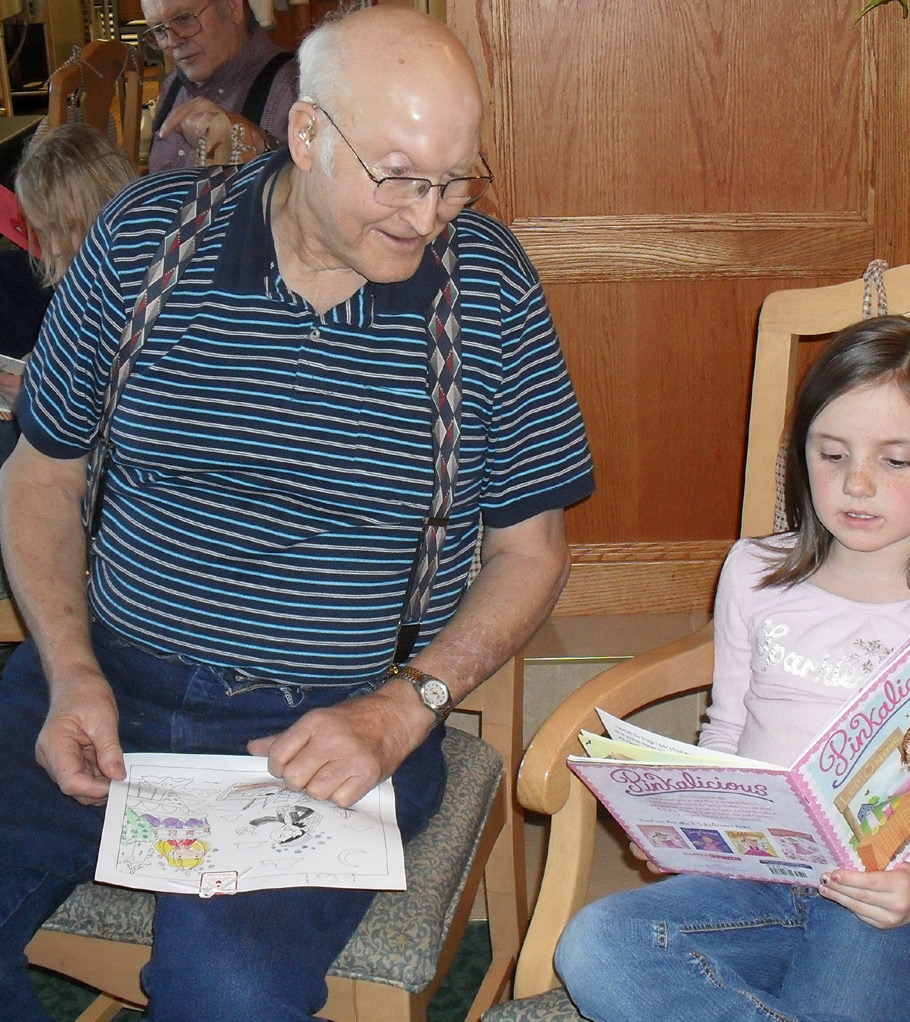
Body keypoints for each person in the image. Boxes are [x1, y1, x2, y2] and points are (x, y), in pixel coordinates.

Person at [0, 5, 593, 1021]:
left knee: (229, 987)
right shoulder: (148, 241)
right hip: (104, 681)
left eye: (456, 179)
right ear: (308, 134)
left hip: (331, 721)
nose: (431, 213)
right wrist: (71, 671)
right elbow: (39, 476)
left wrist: (408, 704)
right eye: (401, 174)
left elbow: (532, 551)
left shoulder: (487, 290)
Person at [554, 316, 910, 1022]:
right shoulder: (755, 573)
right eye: (831, 454)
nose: (856, 483)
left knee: (842, 998)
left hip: (892, 903)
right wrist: (687, 824)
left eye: (896, 460)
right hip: (754, 881)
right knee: (596, 945)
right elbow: (727, 728)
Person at [0, 124, 137, 463]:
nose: (56, 249)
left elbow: (127, 440)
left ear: (113, 209)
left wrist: (32, 406)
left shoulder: (143, 300)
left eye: (70, 227)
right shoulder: (80, 289)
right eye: (45, 234)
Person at [143, 0, 298, 172]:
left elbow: (313, 186)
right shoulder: (173, 85)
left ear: (233, 7)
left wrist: (261, 146)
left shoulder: (292, 88)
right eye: (158, 30)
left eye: (184, 19)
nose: (172, 42)